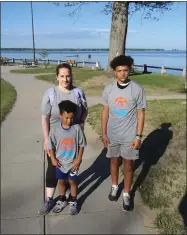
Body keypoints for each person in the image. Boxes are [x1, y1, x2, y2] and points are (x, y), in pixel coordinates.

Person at [39, 63, 88, 215]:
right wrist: (47, 139)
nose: (65, 79)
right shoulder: (51, 93)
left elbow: (84, 112)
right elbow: (45, 117)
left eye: (68, 75)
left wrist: (79, 127)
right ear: (57, 77)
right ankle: (49, 199)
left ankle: (69, 197)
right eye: (62, 76)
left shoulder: (78, 93)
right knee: (53, 169)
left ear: (71, 76)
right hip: (55, 140)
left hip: (72, 141)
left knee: (71, 169)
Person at [101, 55, 146, 211]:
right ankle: (114, 186)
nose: (122, 73)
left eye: (125, 70)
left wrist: (138, 136)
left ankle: (126, 194)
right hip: (112, 135)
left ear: (129, 70)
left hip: (129, 136)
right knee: (114, 162)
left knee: (128, 166)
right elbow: (105, 112)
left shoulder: (138, 89)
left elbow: (141, 114)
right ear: (114, 72)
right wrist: (104, 134)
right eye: (119, 71)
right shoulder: (109, 89)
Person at [48, 100, 87, 215]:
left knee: (72, 182)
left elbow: (82, 145)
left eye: (71, 118)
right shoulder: (55, 129)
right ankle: (61, 199)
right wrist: (53, 159)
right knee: (61, 181)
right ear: (60, 115)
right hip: (60, 163)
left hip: (73, 163)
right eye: (66, 118)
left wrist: (79, 159)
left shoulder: (77, 129)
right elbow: (51, 146)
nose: (69, 120)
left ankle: (73, 201)